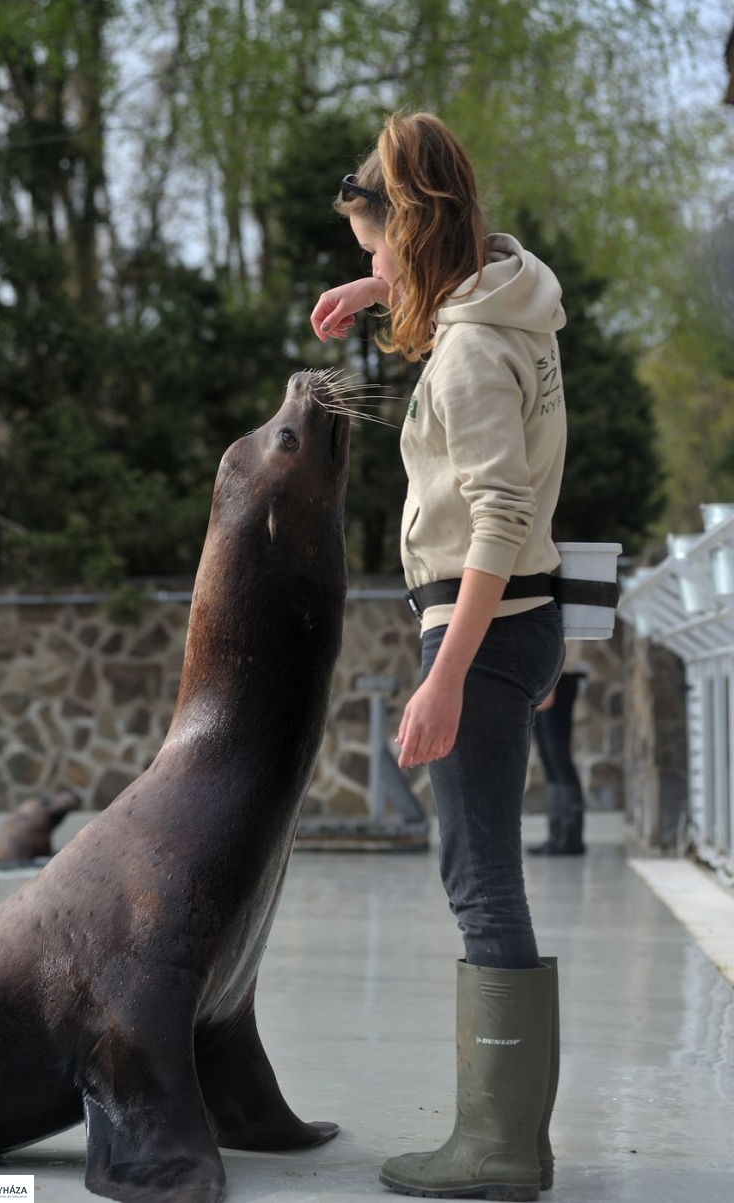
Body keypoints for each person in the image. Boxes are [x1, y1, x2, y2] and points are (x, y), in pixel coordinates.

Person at [311, 111, 568, 1201]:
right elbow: (469, 258)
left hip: (484, 624)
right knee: (480, 876)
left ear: (406, 228)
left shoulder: (467, 356)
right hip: (521, 620)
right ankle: (502, 1138)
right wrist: (380, 290)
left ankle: (499, 1148)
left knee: (478, 882)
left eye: (372, 243)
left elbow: (497, 520)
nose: (365, 262)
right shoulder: (512, 297)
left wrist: (443, 677)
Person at [530, 642, 589, 856]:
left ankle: (569, 838)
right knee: (549, 758)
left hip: (558, 676)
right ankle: (558, 836)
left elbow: (564, 635)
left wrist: (551, 682)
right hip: (549, 676)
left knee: (558, 757)